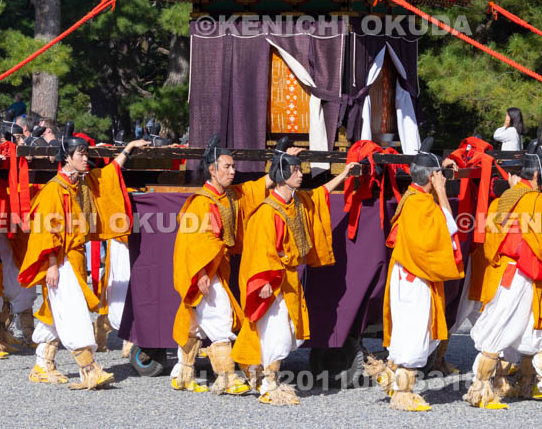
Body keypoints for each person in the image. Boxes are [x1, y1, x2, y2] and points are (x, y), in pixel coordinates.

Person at [458, 140, 542, 411]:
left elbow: (492, 236)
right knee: (500, 331)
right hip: (519, 276)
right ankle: (480, 390)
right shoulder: (536, 200)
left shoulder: (507, 197)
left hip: (508, 270)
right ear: (538, 176)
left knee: (539, 331)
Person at [18, 126, 149, 388]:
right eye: (80, 154)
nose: (85, 158)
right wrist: (52, 265)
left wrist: (128, 148)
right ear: (66, 157)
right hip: (60, 259)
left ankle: (42, 366)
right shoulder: (54, 190)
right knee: (72, 311)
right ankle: (88, 369)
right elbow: (47, 232)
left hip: (73, 258)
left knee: (57, 313)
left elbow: (108, 175)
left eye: (86, 153)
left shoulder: (80, 183)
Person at [232, 144, 351, 405]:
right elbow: (260, 250)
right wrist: (263, 281)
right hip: (271, 281)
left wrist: (345, 175)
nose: (301, 174)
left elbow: (319, 196)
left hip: (288, 280)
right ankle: (268, 385)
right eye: (296, 170)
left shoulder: (295, 203)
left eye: (300, 170)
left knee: (284, 333)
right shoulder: (266, 212)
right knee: (276, 335)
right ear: (282, 174)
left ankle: (260, 379)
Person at [170, 134, 273, 395]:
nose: (232, 171)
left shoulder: (228, 196)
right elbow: (194, 243)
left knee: (194, 325)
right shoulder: (201, 203)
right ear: (213, 170)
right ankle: (226, 376)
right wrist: (201, 273)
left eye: (233, 166)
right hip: (203, 270)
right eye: (227, 167)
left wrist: (278, 169)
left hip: (216, 267)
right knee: (220, 318)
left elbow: (252, 191)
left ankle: (181, 375)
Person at [368, 140, 462, 412]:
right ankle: (403, 392)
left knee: (411, 328)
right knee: (415, 330)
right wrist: (443, 194)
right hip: (415, 275)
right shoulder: (422, 205)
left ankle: (390, 375)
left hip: (407, 274)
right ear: (432, 177)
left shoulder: (413, 198)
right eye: (438, 176)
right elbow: (447, 235)